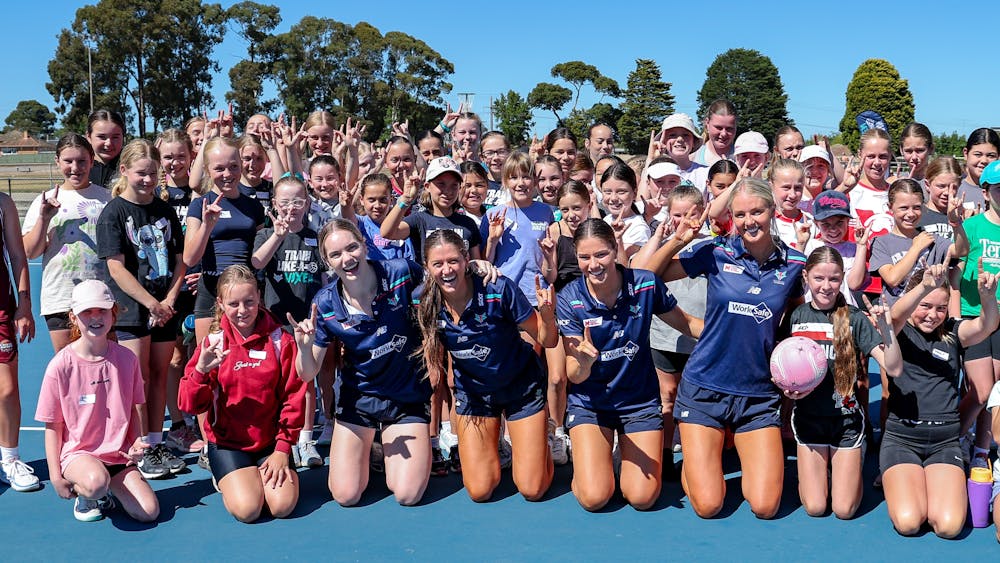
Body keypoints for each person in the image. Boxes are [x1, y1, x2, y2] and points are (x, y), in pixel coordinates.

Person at [636, 178, 806, 519]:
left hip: (758, 395)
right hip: (704, 388)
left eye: (756, 211)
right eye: (740, 214)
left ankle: (708, 462)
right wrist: (679, 239)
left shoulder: (795, 264)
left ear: (772, 210)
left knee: (766, 506)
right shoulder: (716, 251)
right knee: (710, 505)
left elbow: (796, 323)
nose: (749, 221)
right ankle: (697, 470)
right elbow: (644, 275)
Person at [290, 219, 440, 506]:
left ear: (364, 243)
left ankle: (381, 447)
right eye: (335, 254)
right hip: (359, 400)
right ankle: (370, 446)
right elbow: (307, 373)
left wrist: (476, 268)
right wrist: (304, 347)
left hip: (405, 398)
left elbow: (443, 280)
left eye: (352, 247)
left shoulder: (401, 272)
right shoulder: (324, 304)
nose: (346, 259)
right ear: (326, 261)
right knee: (346, 495)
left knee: (406, 494)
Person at [560, 218, 703, 511]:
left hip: (638, 402)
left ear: (615, 250)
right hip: (591, 404)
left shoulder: (645, 284)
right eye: (585, 257)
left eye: (601, 254)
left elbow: (687, 324)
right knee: (594, 497)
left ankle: (614, 459)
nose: (594, 264)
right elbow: (573, 376)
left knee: (642, 498)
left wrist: (731, 331)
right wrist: (584, 362)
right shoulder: (569, 298)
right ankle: (591, 468)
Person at [414, 229, 557, 502]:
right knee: (480, 491)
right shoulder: (424, 303)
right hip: (475, 396)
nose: (447, 270)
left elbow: (547, 341)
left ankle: (543, 438)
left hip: (521, 388)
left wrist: (548, 319)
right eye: (438, 264)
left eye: (453, 260)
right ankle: (500, 445)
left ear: (466, 259)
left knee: (532, 489)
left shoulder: (497, 287)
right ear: (427, 267)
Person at [179, 265, 307, 523]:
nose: (242, 310)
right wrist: (201, 371)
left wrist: (283, 449)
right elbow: (189, 404)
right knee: (248, 510)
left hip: (270, 443)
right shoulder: (213, 343)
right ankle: (226, 475)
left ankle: (256, 476)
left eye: (249, 302)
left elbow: (294, 396)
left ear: (259, 297)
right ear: (220, 303)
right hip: (227, 444)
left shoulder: (280, 340)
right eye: (233, 303)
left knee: (282, 506)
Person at [881, 264, 998, 538]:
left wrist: (988, 298)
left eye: (941, 308)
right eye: (925, 305)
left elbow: (986, 325)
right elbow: (896, 314)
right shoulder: (898, 330)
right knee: (909, 522)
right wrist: (925, 286)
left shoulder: (953, 332)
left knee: (948, 526)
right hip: (902, 439)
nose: (932, 315)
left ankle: (925, 481)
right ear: (913, 298)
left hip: (944, 443)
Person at [97, 139, 187, 479]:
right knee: (138, 379)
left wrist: (168, 302)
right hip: (134, 310)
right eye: (141, 173)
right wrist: (151, 303)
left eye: (153, 173)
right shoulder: (114, 213)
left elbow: (180, 262)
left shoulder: (164, 210)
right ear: (124, 172)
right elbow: (117, 268)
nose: (148, 180)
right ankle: (139, 448)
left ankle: (154, 439)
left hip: (164, 308)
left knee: (160, 375)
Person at [35, 280, 159, 523]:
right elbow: (53, 426)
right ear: (73, 317)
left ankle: (108, 487)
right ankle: (89, 494)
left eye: (102, 310)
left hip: (117, 455)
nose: (95, 317)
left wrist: (135, 442)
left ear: (113, 313)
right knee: (95, 483)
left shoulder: (127, 359)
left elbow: (134, 409)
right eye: (87, 312)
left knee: (148, 512)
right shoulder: (60, 365)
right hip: (79, 455)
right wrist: (55, 476)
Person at [789, 247, 898, 519]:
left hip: (846, 422)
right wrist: (786, 387)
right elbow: (781, 364)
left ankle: (849, 463)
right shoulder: (796, 317)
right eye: (819, 279)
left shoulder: (855, 319)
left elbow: (893, 367)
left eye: (834, 279)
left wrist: (888, 331)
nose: (826, 286)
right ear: (806, 277)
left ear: (842, 279)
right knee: (815, 508)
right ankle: (824, 469)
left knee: (843, 510)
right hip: (808, 420)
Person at [633, 184, 710, 476]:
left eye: (691, 213)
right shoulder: (660, 246)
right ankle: (665, 456)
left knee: (694, 400)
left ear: (702, 212)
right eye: (677, 214)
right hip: (664, 334)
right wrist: (671, 240)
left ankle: (694, 459)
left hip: (700, 335)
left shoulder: (710, 247)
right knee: (667, 395)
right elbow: (644, 276)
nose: (684, 220)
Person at [252, 176, 326, 468]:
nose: (291, 208)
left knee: (306, 381)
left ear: (307, 204)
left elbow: (323, 279)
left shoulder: (315, 236)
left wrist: (319, 315)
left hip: (306, 325)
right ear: (274, 205)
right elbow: (257, 262)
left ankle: (306, 439)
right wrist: (278, 235)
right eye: (284, 202)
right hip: (275, 324)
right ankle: (279, 437)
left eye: (298, 201)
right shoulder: (266, 234)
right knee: (276, 383)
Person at [22, 134, 111, 352]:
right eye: (68, 161)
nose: (75, 167)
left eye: (81, 161)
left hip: (102, 296)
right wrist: (44, 218)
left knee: (104, 365)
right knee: (68, 369)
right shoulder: (45, 201)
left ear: (92, 160)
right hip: (61, 297)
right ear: (57, 162)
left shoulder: (107, 199)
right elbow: (30, 252)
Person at [156, 128, 205, 456]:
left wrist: (201, 274)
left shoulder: (200, 195)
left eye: (181, 156)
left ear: (191, 156)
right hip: (168, 288)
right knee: (174, 357)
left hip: (199, 286)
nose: (174, 162)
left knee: (200, 356)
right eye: (168, 156)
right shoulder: (156, 196)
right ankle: (178, 425)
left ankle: (204, 422)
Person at [957, 160, 1000, 470]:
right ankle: (955, 436)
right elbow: (953, 263)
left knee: (994, 390)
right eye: (999, 189)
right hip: (975, 316)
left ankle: (982, 449)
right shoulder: (972, 227)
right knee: (981, 390)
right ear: (986, 193)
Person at [869, 179, 967, 305]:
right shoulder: (881, 243)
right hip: (896, 317)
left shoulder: (932, 239)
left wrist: (955, 222)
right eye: (903, 208)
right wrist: (916, 248)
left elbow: (961, 250)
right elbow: (892, 279)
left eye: (916, 207)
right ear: (890, 207)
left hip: (927, 314)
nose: (910, 214)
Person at [0, 174, 36, 492]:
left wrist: (23, 305)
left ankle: (9, 458)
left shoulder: (2, 203)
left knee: (8, 389)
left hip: (0, 306)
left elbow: (17, 255)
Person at [380, 156, 482, 265]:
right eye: (441, 184)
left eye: (454, 185)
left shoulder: (468, 223)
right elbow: (386, 233)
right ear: (427, 186)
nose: (447, 191)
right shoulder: (419, 219)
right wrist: (405, 200)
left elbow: (476, 263)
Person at [958, 127, 1000, 208]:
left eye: (991, 155)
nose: (984, 160)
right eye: (978, 154)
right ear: (966, 154)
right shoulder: (953, 189)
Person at [86, 109, 126, 189]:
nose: (109, 143)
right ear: (89, 136)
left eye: (115, 137)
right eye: (101, 137)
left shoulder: (132, 166)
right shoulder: (80, 167)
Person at [693, 100, 736, 166]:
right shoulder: (692, 158)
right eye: (718, 128)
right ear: (707, 123)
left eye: (729, 128)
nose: (724, 134)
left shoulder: (744, 157)